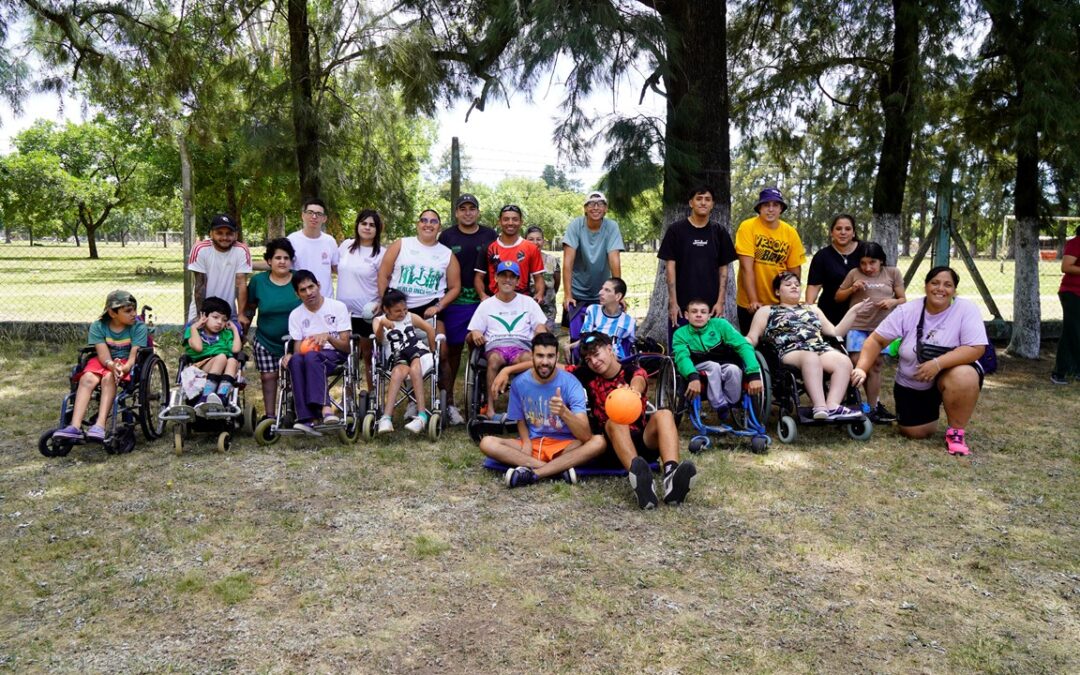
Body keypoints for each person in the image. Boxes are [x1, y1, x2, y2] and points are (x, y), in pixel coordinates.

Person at [851, 266, 989, 456]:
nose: (940, 289)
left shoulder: (967, 309)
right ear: (926, 286)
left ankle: (956, 433)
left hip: (951, 373)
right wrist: (861, 368)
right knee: (915, 433)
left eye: (948, 285)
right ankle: (930, 409)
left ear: (954, 290)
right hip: (913, 381)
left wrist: (937, 364)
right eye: (935, 283)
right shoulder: (907, 310)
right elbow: (876, 340)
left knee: (963, 375)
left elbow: (976, 348)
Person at [570, 332, 697, 509]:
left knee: (664, 414)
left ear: (610, 349)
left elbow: (640, 379)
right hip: (612, 447)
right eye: (588, 359)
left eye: (597, 354)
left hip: (642, 441)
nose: (594, 362)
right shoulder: (586, 374)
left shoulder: (631, 370)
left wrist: (633, 391)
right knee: (615, 420)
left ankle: (670, 477)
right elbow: (555, 369)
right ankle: (641, 481)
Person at [478, 333, 606, 488]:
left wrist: (564, 412)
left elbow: (585, 436)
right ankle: (557, 469)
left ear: (557, 357)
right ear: (532, 356)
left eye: (550, 356)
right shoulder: (519, 383)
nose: (545, 362)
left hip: (566, 446)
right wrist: (526, 442)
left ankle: (534, 472)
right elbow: (520, 420)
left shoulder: (572, 383)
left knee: (599, 442)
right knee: (487, 443)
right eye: (540, 356)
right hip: (534, 443)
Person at [747, 272, 869, 420]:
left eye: (797, 285)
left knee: (843, 361)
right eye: (788, 284)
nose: (794, 287)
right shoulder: (767, 311)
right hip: (790, 350)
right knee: (810, 358)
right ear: (778, 291)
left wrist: (854, 311)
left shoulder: (813, 309)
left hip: (819, 348)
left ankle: (832, 405)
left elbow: (835, 332)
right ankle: (819, 407)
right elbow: (753, 337)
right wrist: (742, 342)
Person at [379, 208, 462, 414]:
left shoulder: (446, 254)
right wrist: (385, 304)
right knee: (404, 352)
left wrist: (439, 306)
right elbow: (383, 274)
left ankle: (448, 403)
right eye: (424, 220)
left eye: (433, 221)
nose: (428, 224)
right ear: (418, 224)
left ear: (439, 227)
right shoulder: (402, 244)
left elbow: (455, 287)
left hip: (429, 309)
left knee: (442, 353)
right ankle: (412, 402)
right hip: (400, 309)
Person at [54, 290, 148, 441]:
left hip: (125, 362)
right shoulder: (98, 326)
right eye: (128, 311)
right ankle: (75, 426)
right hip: (104, 360)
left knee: (109, 378)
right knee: (87, 378)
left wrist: (123, 368)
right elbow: (103, 354)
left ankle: (100, 425)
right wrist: (111, 364)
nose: (134, 314)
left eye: (134, 310)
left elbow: (133, 357)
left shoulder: (139, 328)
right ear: (112, 313)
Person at [439, 193, 498, 424]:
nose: (467, 213)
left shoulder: (489, 235)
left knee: (481, 349)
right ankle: (449, 402)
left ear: (478, 212)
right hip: (455, 302)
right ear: (456, 213)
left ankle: (480, 399)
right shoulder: (447, 236)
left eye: (471, 208)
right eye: (462, 209)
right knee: (452, 352)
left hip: (482, 301)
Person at [467, 261, 549, 420]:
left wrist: (540, 329)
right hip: (496, 345)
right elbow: (472, 334)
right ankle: (490, 409)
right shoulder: (486, 305)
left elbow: (540, 325)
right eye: (503, 275)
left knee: (529, 359)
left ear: (518, 281)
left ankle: (529, 407)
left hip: (521, 345)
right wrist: (475, 332)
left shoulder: (528, 302)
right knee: (494, 360)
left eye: (512, 277)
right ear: (496, 278)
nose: (507, 280)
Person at [835, 241, 906, 422]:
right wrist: (852, 288)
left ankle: (873, 407)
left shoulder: (893, 273)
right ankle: (855, 402)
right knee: (857, 363)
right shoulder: (854, 273)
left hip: (882, 327)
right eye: (863, 263)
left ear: (881, 260)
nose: (867, 268)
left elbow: (902, 299)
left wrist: (892, 302)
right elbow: (838, 297)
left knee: (875, 365)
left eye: (872, 263)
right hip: (857, 325)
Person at [657, 185, 737, 342]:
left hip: (711, 307)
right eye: (699, 199)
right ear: (691, 203)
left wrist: (720, 301)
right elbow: (670, 268)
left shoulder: (719, 232)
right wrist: (673, 302)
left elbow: (724, 270)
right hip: (682, 306)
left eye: (707, 199)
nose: (703, 203)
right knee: (680, 348)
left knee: (711, 348)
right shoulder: (675, 230)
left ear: (712, 204)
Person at [671, 298, 764, 421]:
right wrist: (692, 376)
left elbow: (743, 345)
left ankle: (730, 403)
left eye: (703, 312)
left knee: (733, 369)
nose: (699, 315)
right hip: (696, 367)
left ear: (709, 316)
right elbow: (682, 357)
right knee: (712, 366)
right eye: (694, 311)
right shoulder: (680, 334)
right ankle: (719, 404)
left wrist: (754, 373)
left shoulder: (720, 325)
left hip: (724, 363)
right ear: (687, 315)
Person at [284, 270, 352, 434]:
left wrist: (328, 337)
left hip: (335, 354)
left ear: (318, 286)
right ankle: (306, 418)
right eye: (303, 290)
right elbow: (298, 350)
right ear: (297, 294)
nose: (309, 293)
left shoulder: (337, 307)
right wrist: (291, 354)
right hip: (310, 357)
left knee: (311, 357)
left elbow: (346, 347)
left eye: (311, 287)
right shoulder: (296, 315)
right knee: (296, 360)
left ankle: (325, 408)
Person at [735, 187, 806, 334]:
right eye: (766, 205)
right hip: (751, 303)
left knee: (780, 344)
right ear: (759, 208)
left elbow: (794, 271)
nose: (771, 209)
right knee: (750, 344)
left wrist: (790, 300)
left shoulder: (790, 232)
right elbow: (746, 268)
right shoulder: (748, 227)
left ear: (781, 209)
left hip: (779, 303)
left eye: (775, 205)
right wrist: (753, 300)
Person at [245, 238, 301, 422]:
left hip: (296, 341)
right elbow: (250, 309)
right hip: (266, 340)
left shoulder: (299, 279)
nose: (282, 261)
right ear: (269, 261)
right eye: (278, 258)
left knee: (294, 375)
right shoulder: (258, 281)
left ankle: (293, 412)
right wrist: (243, 332)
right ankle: (269, 416)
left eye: (286, 258)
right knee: (268, 377)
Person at [373, 288, 437, 435]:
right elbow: (379, 340)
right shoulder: (378, 320)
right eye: (397, 311)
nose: (402, 313)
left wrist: (434, 351)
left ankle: (422, 415)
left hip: (416, 350)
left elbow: (429, 329)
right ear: (386, 309)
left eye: (405, 309)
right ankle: (386, 417)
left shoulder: (410, 317)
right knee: (397, 372)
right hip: (397, 354)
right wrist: (382, 324)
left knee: (415, 367)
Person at [562, 191, 624, 336]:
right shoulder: (575, 225)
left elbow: (614, 259)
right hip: (577, 292)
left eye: (600, 204)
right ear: (585, 208)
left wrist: (618, 294)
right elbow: (568, 262)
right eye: (591, 204)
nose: (596, 207)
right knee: (576, 337)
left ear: (605, 209)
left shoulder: (611, 227)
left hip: (602, 292)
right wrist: (567, 295)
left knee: (603, 337)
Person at [337, 209, 386, 392]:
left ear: (377, 229)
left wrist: (381, 303)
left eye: (372, 225)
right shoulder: (346, 246)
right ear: (357, 225)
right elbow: (335, 268)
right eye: (364, 223)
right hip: (343, 313)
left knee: (368, 355)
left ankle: (373, 395)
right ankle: (349, 397)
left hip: (367, 313)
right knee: (348, 357)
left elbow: (386, 280)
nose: (367, 227)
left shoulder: (381, 253)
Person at [187, 214, 252, 323]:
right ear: (211, 234)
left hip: (228, 312)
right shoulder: (200, 249)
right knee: (195, 334)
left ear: (236, 235)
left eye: (229, 233)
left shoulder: (241, 250)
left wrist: (241, 314)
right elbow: (200, 285)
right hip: (202, 310)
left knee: (234, 333)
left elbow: (241, 283)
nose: (224, 237)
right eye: (219, 233)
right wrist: (200, 315)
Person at [184, 296, 243, 413]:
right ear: (204, 316)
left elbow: (236, 349)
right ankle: (205, 397)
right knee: (222, 357)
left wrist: (235, 330)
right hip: (201, 366)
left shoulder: (225, 334)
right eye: (215, 317)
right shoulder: (193, 331)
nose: (220, 322)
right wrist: (194, 328)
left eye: (224, 320)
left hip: (224, 367)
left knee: (232, 360)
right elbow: (198, 348)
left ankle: (221, 396)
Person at [475, 205, 545, 303]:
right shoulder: (489, 248)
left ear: (521, 222)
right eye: (506, 219)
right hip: (495, 301)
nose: (510, 223)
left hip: (521, 302)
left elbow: (538, 278)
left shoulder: (531, 248)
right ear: (499, 222)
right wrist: (483, 295)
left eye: (515, 219)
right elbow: (479, 277)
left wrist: (539, 293)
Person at [806, 214, 863, 325]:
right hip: (830, 314)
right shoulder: (822, 256)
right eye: (838, 229)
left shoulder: (865, 251)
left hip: (861, 315)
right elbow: (814, 286)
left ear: (854, 233)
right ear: (831, 232)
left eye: (847, 229)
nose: (843, 232)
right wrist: (809, 310)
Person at [287, 198, 340, 295]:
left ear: (324, 219)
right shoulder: (292, 240)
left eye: (319, 214)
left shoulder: (330, 241)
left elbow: (336, 268)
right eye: (310, 212)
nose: (314, 216)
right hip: (301, 299)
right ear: (303, 215)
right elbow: (280, 264)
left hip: (325, 298)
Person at [576, 277, 636, 360]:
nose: (600, 292)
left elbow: (631, 346)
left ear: (618, 296)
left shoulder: (629, 322)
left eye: (607, 290)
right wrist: (570, 346)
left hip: (616, 360)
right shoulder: (593, 310)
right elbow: (585, 338)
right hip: (592, 354)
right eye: (602, 288)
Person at [1051, 226, 1080, 384]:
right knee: (1071, 332)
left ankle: (1075, 370)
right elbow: (1066, 266)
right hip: (1073, 293)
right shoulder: (1076, 243)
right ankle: (1059, 372)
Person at [525, 225, 561, 333]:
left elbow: (556, 284)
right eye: (531, 239)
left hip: (547, 311)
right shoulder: (521, 260)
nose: (535, 242)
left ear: (543, 241)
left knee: (546, 340)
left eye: (538, 239)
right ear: (525, 241)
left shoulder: (552, 260)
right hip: (526, 311)